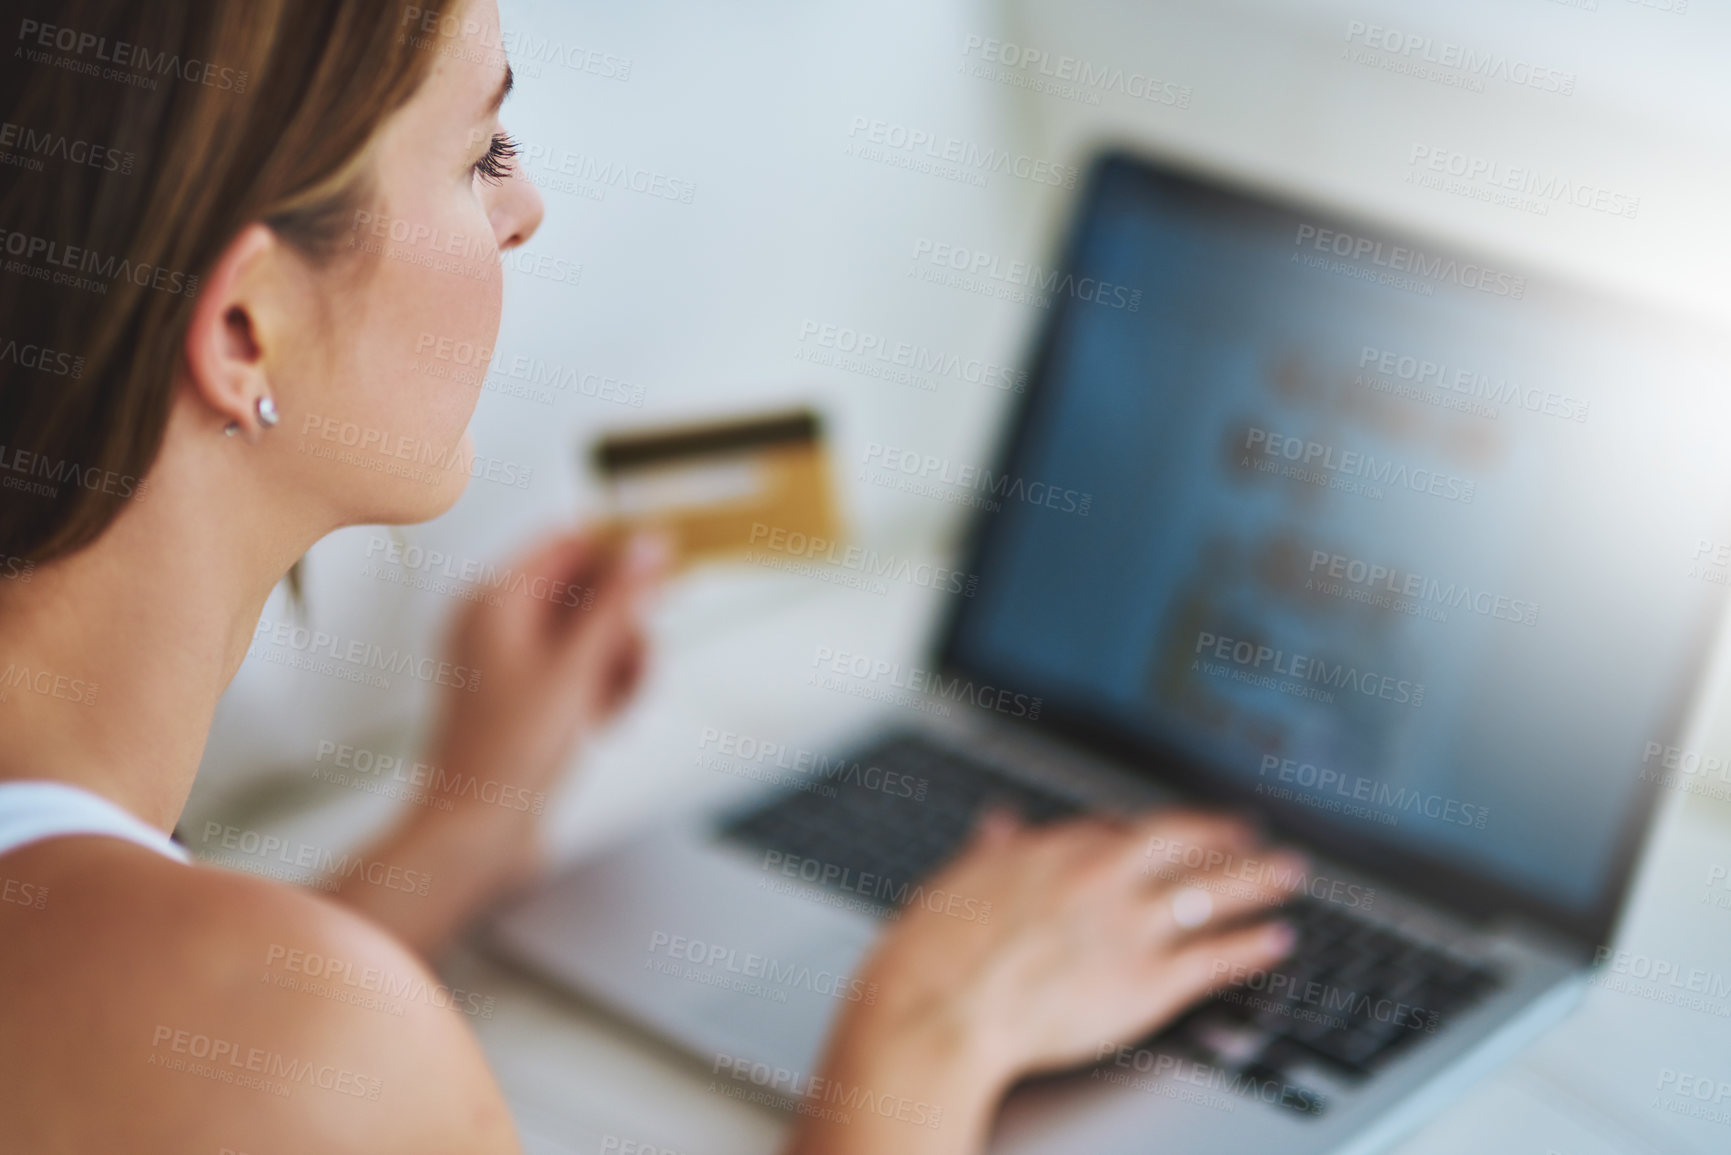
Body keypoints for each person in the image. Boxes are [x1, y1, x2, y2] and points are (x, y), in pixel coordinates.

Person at [0, 2, 1301, 1150]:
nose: (524, 207)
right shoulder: (318, 1053)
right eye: (478, 153)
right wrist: (924, 1040)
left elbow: (176, 1062)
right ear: (245, 329)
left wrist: (471, 814)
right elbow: (261, 1072)